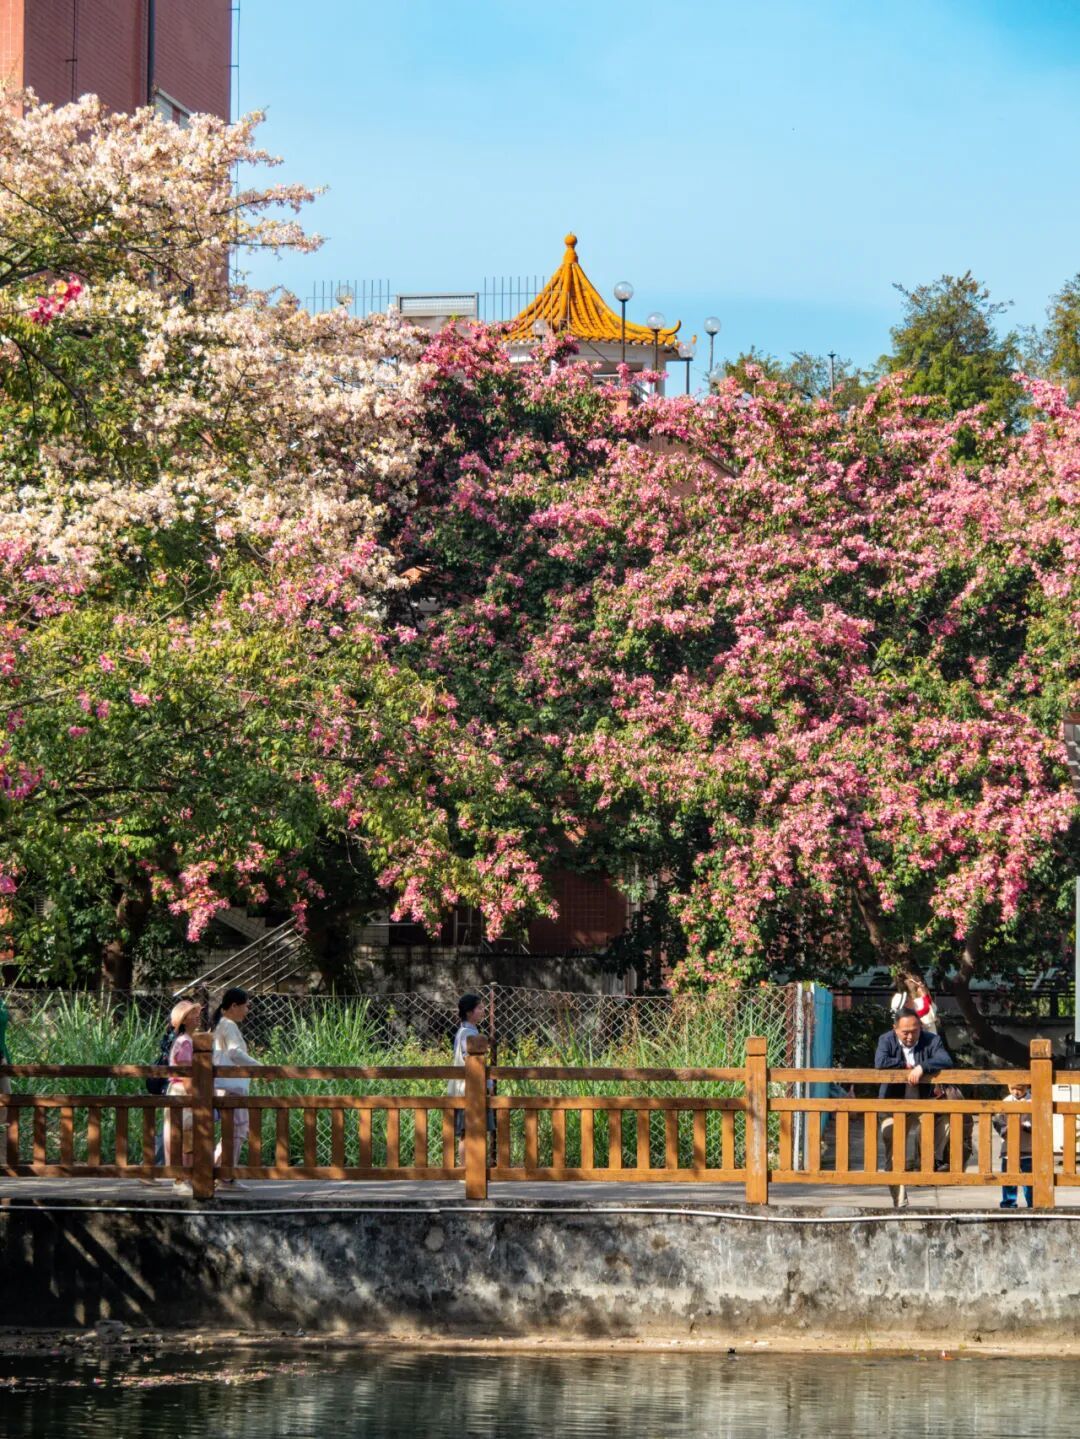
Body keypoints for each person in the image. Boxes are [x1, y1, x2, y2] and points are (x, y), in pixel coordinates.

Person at [874, 1009, 953, 1209]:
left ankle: (925, 1162)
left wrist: (922, 1067)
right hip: (893, 1105)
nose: (910, 1036)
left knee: (945, 1123)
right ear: (895, 1029)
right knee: (893, 1151)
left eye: (914, 1031)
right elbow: (880, 1062)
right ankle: (900, 1202)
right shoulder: (886, 1040)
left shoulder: (931, 1040)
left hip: (922, 1102)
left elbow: (946, 1060)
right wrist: (907, 1066)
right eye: (905, 1032)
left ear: (921, 1028)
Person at [212, 987, 257, 1187]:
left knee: (234, 1130)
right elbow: (235, 1052)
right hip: (232, 1088)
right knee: (237, 1130)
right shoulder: (228, 1025)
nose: (247, 1010)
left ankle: (218, 1171)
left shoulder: (223, 1024)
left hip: (228, 1086)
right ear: (234, 1006)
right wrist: (261, 1068)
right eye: (246, 1006)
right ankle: (224, 1175)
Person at [164, 998, 202, 1195]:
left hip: (178, 1091)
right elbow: (187, 1075)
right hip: (183, 1091)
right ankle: (181, 1178)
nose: (197, 1018)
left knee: (183, 1134)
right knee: (184, 1134)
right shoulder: (185, 1042)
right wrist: (196, 1097)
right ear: (184, 1020)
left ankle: (183, 1177)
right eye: (192, 1015)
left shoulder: (185, 1040)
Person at [448, 993, 494, 1153]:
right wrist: (487, 1084)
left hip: (470, 1088)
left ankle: (469, 1171)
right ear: (469, 1012)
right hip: (469, 1089)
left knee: (470, 1132)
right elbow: (474, 1064)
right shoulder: (467, 1034)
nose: (483, 1010)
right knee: (467, 1133)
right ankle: (466, 1171)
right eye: (479, 1007)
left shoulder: (469, 1031)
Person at [994, 1082, 1033, 1209]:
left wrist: (1025, 1126)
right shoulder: (1005, 1101)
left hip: (1028, 1148)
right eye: (1012, 1089)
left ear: (1027, 1087)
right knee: (1009, 1179)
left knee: (1029, 1180)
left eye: (1020, 1089)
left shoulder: (1033, 1101)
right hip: (1009, 1148)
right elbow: (998, 1122)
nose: (1016, 1092)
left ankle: (1033, 1203)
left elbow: (1038, 1122)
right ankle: (1009, 1203)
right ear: (1008, 1087)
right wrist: (1006, 1129)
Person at [889, 967, 939, 1034]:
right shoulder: (908, 1015)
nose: (909, 998)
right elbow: (925, 1010)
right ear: (905, 1006)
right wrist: (923, 995)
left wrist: (924, 993)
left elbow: (929, 1004)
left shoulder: (915, 1003)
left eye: (907, 998)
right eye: (906, 1000)